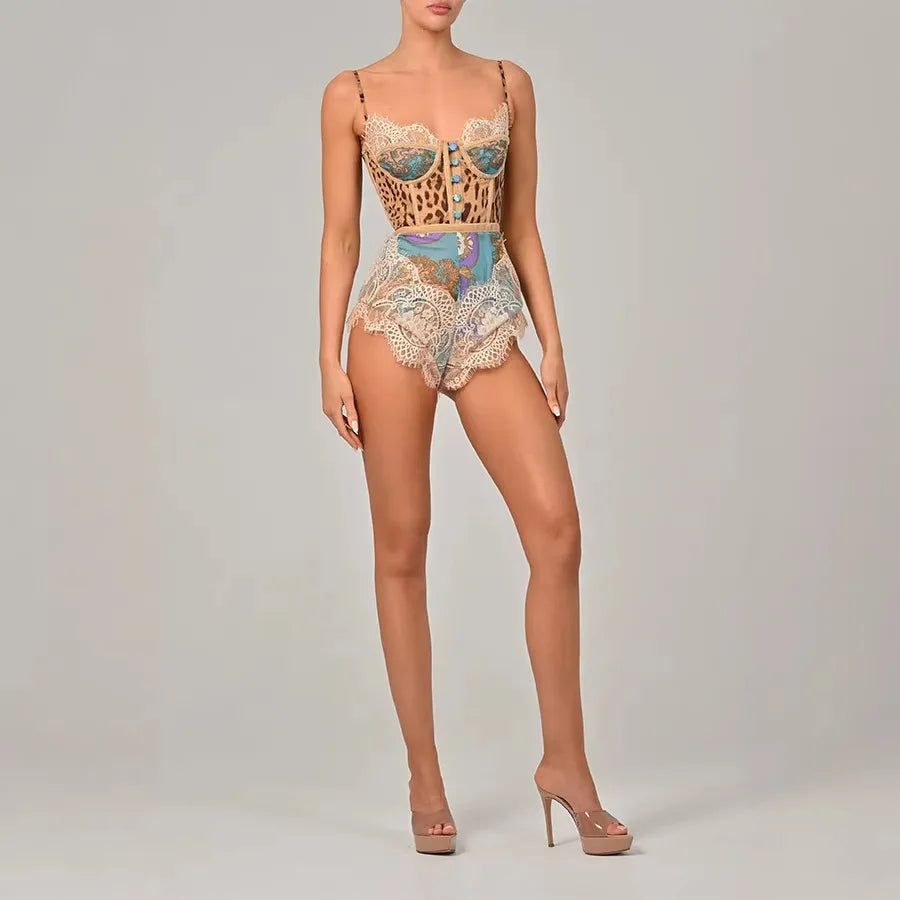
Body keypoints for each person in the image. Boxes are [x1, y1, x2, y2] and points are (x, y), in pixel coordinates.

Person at [318, 0, 631, 856]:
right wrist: (327, 358)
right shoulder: (351, 92)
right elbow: (341, 236)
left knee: (557, 532)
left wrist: (553, 341)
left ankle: (566, 766)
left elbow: (520, 224)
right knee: (402, 544)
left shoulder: (507, 82)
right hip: (396, 315)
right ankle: (424, 778)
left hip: (487, 311)